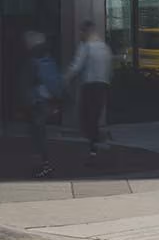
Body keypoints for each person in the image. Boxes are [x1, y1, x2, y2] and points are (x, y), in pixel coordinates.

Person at [64, 21, 113, 159]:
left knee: (86, 116)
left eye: (81, 31)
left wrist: (66, 78)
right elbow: (109, 68)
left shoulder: (85, 46)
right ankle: (96, 144)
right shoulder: (104, 47)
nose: (80, 34)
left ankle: (95, 144)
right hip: (102, 85)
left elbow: (76, 66)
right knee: (94, 115)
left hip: (90, 86)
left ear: (86, 32)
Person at [22, 31, 60, 178]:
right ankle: (43, 164)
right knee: (39, 133)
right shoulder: (47, 57)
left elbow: (29, 81)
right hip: (44, 101)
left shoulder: (34, 58)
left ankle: (43, 165)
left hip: (37, 102)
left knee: (37, 135)